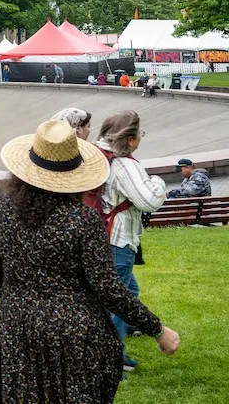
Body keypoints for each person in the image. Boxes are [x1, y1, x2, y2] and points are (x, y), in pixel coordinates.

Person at [0, 120, 179, 402]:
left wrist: (13, 309)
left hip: (15, 320)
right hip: (73, 329)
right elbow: (109, 288)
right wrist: (157, 329)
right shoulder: (83, 220)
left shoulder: (2, 210)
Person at [96, 110, 166, 373]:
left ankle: (118, 350)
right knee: (115, 305)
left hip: (105, 239)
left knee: (129, 294)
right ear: (131, 138)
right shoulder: (124, 165)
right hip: (118, 242)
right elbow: (149, 201)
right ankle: (111, 362)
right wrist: (157, 181)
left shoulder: (100, 158)